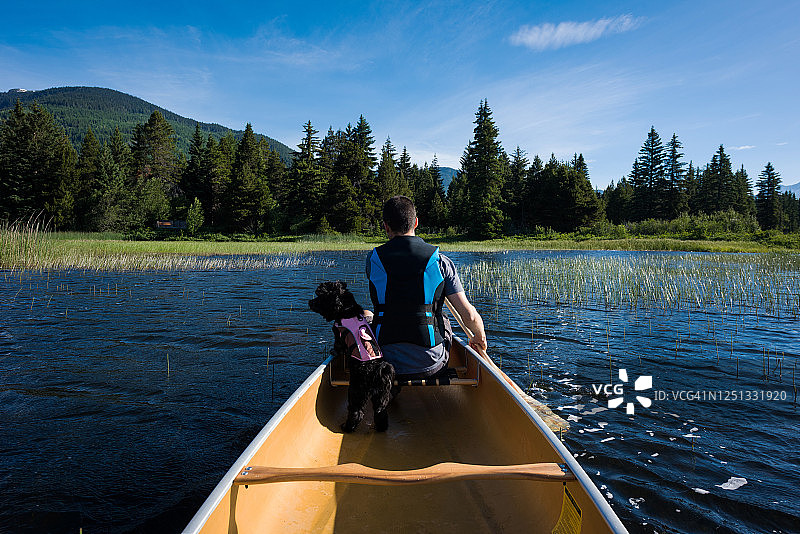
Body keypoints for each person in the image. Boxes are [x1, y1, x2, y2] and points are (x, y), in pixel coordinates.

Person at [366, 195, 487, 380]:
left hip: (384, 362)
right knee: (443, 317)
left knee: (369, 315)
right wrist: (479, 338)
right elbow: (469, 316)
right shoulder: (440, 261)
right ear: (415, 222)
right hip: (431, 364)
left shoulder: (372, 261)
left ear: (386, 226)